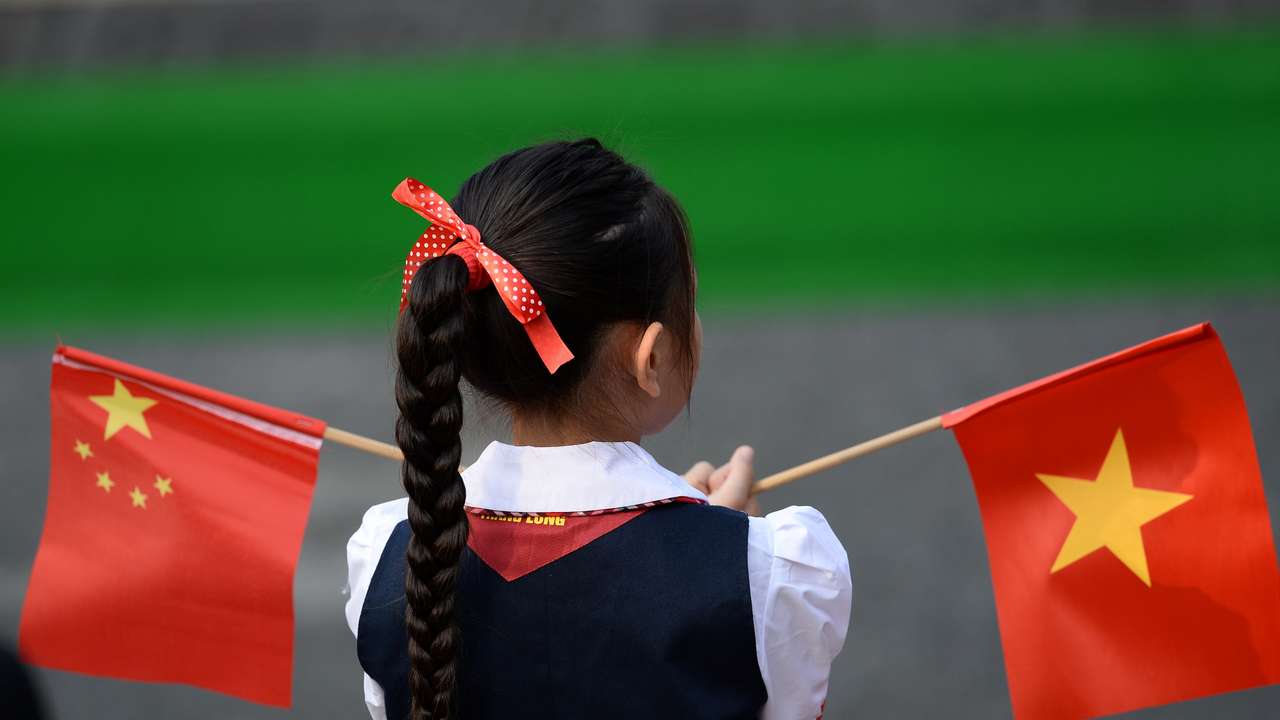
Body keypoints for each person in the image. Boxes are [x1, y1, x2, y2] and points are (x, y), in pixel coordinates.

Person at [345, 139, 851, 720]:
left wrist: (696, 525)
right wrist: (725, 541)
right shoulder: (767, 573)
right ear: (651, 359)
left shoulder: (387, 556)